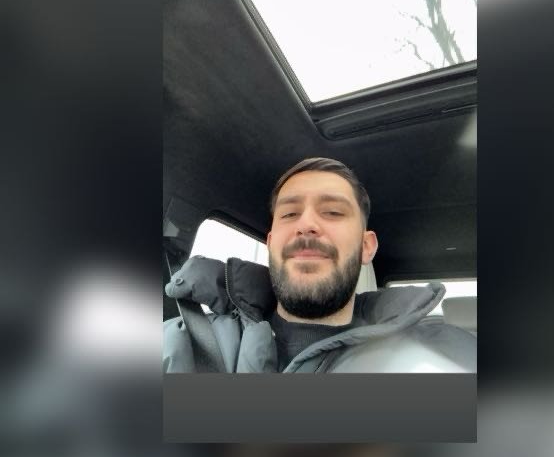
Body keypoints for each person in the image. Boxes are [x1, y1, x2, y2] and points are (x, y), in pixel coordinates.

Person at [163, 157, 476, 372]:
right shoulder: (181, 341)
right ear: (271, 243)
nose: (306, 225)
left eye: (333, 212)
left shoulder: (446, 354)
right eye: (289, 214)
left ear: (366, 247)